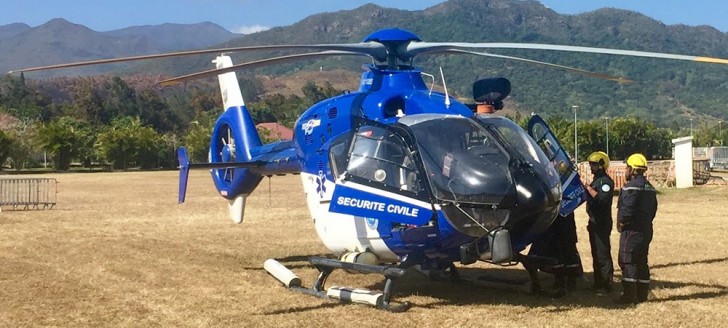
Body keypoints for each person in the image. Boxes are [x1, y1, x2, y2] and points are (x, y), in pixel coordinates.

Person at [616, 153, 658, 304]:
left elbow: (626, 210)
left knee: (628, 261)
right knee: (641, 261)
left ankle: (629, 296)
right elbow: (653, 210)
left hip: (631, 231)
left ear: (633, 170)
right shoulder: (650, 188)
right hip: (646, 230)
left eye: (627, 167)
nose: (625, 171)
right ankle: (642, 295)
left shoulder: (631, 187)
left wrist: (621, 223)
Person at [525, 211, 584, 297]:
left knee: (566, 248)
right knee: (549, 249)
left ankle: (567, 281)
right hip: (550, 217)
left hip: (562, 216)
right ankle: (559, 281)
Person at [585, 151, 615, 293]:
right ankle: (598, 282)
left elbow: (602, 200)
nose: (591, 167)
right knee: (596, 252)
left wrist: (588, 189)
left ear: (602, 165)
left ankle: (606, 282)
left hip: (602, 222)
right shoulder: (596, 180)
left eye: (594, 164)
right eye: (591, 164)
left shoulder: (605, 182)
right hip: (594, 222)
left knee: (602, 252)